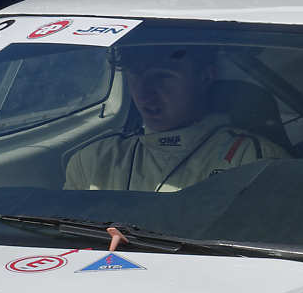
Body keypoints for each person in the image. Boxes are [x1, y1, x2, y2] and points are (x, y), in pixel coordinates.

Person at [64, 45, 285, 191]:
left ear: (205, 77)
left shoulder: (256, 161)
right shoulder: (92, 162)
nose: (144, 93)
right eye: (135, 75)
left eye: (162, 77)